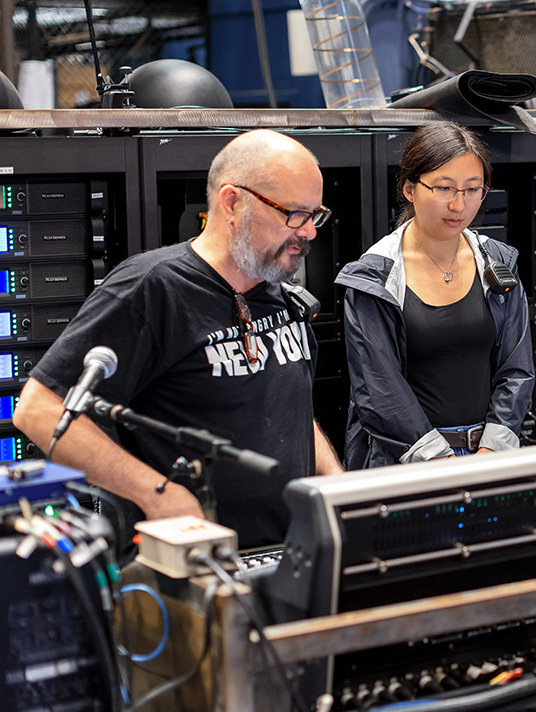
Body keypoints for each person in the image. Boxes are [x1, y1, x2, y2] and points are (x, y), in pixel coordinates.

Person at [13, 129, 344, 551]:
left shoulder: (277, 288)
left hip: (290, 549)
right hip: (189, 563)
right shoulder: (151, 289)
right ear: (232, 202)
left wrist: (336, 486)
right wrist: (161, 495)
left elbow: (287, 408)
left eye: (315, 214)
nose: (309, 232)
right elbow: (39, 410)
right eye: (293, 214)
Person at [336, 121, 534, 467]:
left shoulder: (498, 262)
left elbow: (517, 367)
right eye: (444, 188)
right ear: (410, 188)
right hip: (405, 460)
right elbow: (379, 389)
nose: (459, 205)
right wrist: (438, 462)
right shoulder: (373, 276)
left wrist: (492, 451)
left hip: (488, 457)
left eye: (473, 189)